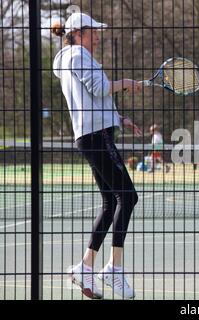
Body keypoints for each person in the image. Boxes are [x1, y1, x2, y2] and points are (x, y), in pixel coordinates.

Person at [52, 13, 143, 299]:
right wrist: (125, 82)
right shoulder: (78, 54)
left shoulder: (70, 58)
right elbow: (100, 88)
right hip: (96, 136)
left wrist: (118, 117)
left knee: (109, 202)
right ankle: (113, 269)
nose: (98, 36)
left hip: (92, 134)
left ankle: (85, 266)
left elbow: (91, 98)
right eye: (94, 32)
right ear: (78, 33)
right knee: (128, 197)